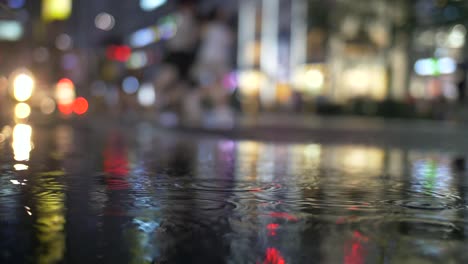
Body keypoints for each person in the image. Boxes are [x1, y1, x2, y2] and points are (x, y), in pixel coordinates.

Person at [164, 0, 199, 83]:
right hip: (175, 53)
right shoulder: (176, 18)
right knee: (169, 76)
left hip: (185, 54)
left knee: (183, 80)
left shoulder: (191, 19)